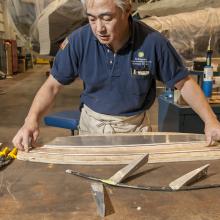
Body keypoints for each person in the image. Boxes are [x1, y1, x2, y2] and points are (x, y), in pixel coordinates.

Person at [13, 0, 220, 151]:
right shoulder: (79, 41)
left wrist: (211, 121)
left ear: (127, 10)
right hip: (91, 128)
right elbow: (52, 86)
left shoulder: (152, 42)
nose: (99, 28)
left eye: (107, 18)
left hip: (134, 130)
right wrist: (31, 120)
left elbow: (184, 83)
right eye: (92, 19)